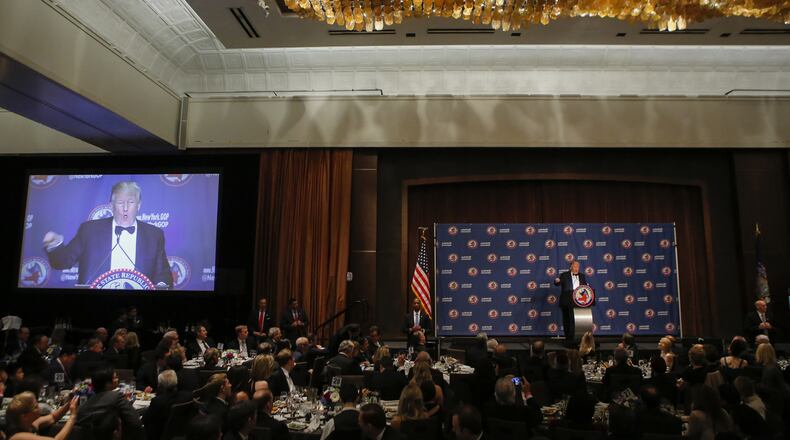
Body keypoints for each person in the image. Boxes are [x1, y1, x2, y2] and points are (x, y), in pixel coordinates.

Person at [42, 181, 171, 288]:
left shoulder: (154, 235)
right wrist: (55, 245)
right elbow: (63, 262)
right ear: (111, 206)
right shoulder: (89, 230)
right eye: (120, 203)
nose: (125, 208)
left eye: (131, 202)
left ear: (138, 206)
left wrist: (160, 287)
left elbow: (163, 274)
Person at [75, 369, 145, 440]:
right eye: (115, 378)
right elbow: (135, 422)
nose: (117, 379)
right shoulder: (116, 396)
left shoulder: (82, 407)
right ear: (107, 384)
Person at [5, 391, 79, 440]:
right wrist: (73, 416)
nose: (39, 408)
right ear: (24, 416)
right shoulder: (18, 437)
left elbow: (53, 417)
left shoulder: (32, 424)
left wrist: (69, 403)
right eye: (35, 407)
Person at [143, 370, 192, 440]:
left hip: (159, 435)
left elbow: (145, 419)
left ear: (160, 385)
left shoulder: (157, 401)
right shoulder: (188, 396)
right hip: (181, 433)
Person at [553, 260, 587, 343]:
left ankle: (578, 338)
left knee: (577, 320)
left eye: (578, 266)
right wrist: (556, 281)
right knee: (567, 319)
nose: (577, 268)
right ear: (571, 267)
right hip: (567, 301)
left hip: (579, 301)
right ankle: (568, 338)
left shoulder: (582, 276)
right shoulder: (564, 275)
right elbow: (558, 283)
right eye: (575, 266)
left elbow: (585, 287)